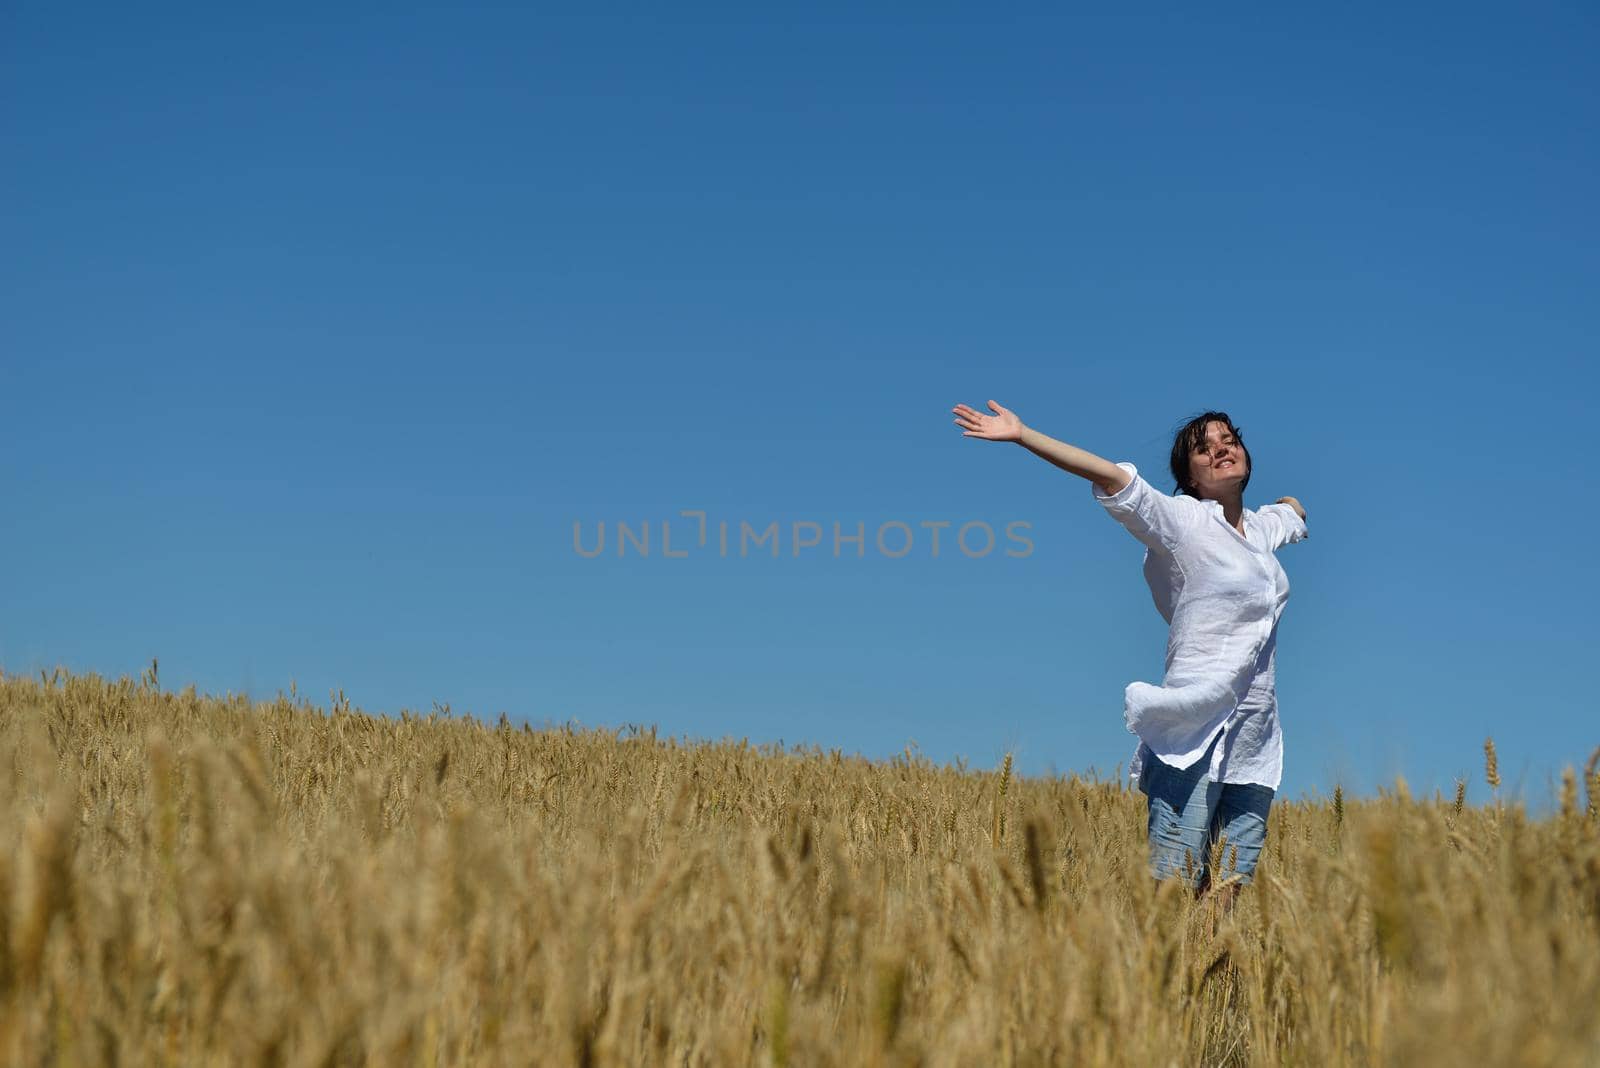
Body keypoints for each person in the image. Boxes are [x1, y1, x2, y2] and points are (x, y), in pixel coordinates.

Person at [950, 400, 1309, 912]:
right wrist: (1024, 433)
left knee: (1227, 896)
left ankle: (1206, 990)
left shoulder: (1261, 529)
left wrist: (1293, 506)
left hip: (1255, 741)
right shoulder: (1182, 521)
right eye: (1204, 450)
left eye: (1228, 439)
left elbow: (1290, 514)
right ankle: (1156, 987)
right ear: (1190, 478)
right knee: (1173, 891)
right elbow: (1108, 475)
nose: (1220, 450)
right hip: (1194, 731)